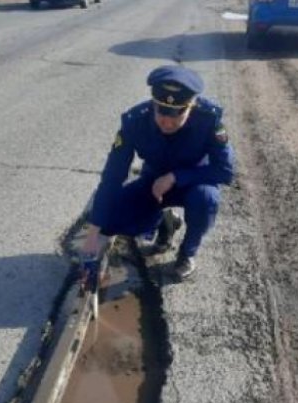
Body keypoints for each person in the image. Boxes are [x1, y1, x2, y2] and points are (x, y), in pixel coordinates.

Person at [81, 65, 235, 280]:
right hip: (153, 184)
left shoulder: (209, 120)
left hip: (194, 184)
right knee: (110, 220)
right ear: (153, 104)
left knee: (206, 198)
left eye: (177, 114)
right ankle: (164, 221)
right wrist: (94, 232)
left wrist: (176, 177)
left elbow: (225, 171)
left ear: (190, 106)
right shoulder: (135, 121)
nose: (167, 122)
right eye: (162, 112)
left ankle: (187, 253)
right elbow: (112, 177)